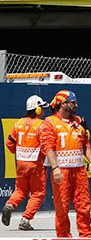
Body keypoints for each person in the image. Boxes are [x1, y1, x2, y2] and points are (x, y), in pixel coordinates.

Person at [40, 90, 91, 237]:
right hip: (62, 172)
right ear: (62, 103)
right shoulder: (50, 122)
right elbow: (48, 147)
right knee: (62, 208)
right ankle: (64, 239)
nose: (76, 105)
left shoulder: (78, 121)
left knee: (84, 206)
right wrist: (55, 168)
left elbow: (86, 143)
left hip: (79, 171)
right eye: (73, 102)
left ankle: (86, 237)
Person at [2, 95, 47, 231]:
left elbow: (9, 143)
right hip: (36, 165)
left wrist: (20, 153)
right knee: (38, 193)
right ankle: (25, 219)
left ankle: (10, 205)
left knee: (20, 190)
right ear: (37, 110)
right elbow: (47, 146)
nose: (44, 111)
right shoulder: (41, 125)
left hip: (20, 163)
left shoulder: (18, 124)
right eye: (42, 108)